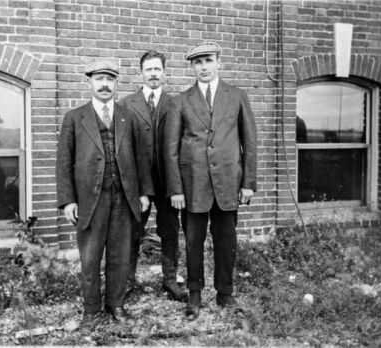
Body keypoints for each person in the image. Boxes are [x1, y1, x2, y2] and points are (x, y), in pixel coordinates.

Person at [163, 42, 257, 318]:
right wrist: (176, 189)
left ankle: (225, 293)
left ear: (219, 62)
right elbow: (170, 150)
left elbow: (249, 142)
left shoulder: (237, 96)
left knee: (226, 241)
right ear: (191, 66)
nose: (203, 67)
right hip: (193, 186)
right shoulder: (181, 100)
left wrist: (248, 183)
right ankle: (194, 292)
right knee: (193, 241)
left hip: (228, 184)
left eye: (208, 61)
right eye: (197, 62)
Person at [56, 59, 153, 324]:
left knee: (119, 255)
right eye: (99, 79)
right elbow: (64, 162)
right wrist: (68, 201)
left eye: (109, 79)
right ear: (90, 83)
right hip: (90, 200)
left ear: (116, 84)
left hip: (123, 198)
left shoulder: (128, 116)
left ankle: (116, 305)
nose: (104, 84)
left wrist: (144, 193)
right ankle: (91, 310)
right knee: (90, 258)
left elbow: (141, 158)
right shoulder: (75, 118)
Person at [120, 50, 188, 302]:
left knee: (170, 230)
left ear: (165, 73)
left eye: (157, 69)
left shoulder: (176, 104)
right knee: (133, 230)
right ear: (141, 73)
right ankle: (127, 280)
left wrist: (177, 185)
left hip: (168, 182)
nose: (153, 74)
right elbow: (124, 149)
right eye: (148, 69)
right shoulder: (126, 104)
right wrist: (136, 188)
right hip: (138, 185)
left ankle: (170, 279)